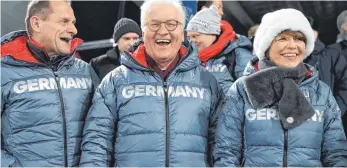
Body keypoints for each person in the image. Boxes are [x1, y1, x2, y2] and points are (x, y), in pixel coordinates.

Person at [80, 0, 223, 167]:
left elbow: (223, 146)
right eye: (154, 24)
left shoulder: (207, 82)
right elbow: (96, 143)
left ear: (183, 32)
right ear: (143, 31)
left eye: (172, 24)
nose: (163, 31)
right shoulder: (115, 82)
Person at [213, 8, 347, 167]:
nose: (292, 46)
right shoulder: (242, 89)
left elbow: (336, 153)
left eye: (299, 39)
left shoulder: (321, 92)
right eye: (282, 38)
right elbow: (226, 151)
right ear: (266, 46)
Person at [1, 0, 100, 167]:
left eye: (73, 23)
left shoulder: (85, 71)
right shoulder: (4, 72)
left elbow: (103, 127)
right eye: (64, 21)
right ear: (37, 23)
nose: (73, 30)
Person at [186, 5, 253, 93]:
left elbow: (251, 91)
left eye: (195, 36)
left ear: (212, 33)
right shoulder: (190, 58)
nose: (191, 41)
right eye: (189, 37)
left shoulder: (238, 54)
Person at [304, 16, 347, 136]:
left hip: (326, 121)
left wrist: (333, 113)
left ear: (316, 32)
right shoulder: (292, 55)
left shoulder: (331, 54)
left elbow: (344, 86)